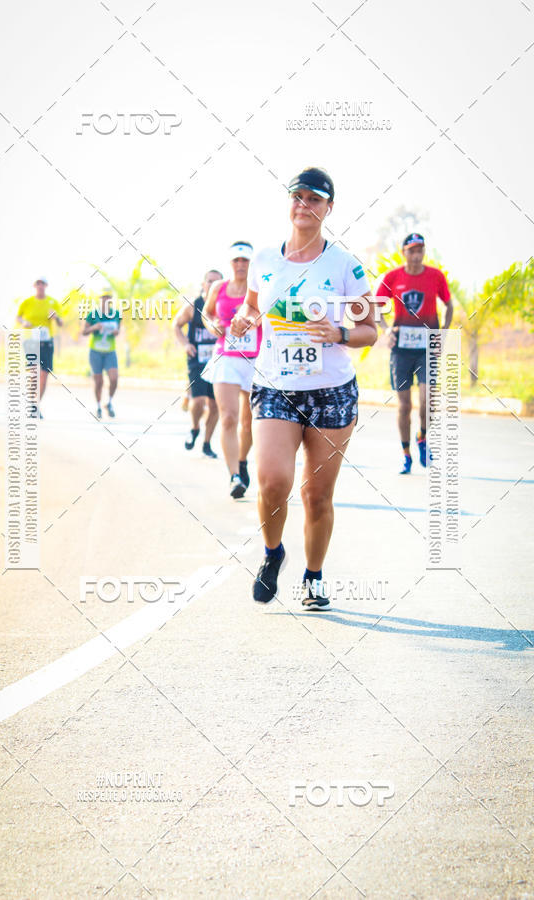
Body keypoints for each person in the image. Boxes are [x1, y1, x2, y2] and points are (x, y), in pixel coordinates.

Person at [229, 166, 377, 609]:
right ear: (289, 202)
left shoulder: (345, 265)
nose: (304, 205)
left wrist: (340, 333)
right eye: (298, 196)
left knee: (316, 496)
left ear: (328, 208)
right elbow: (251, 307)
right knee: (273, 481)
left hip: (332, 391)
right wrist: (243, 320)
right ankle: (273, 553)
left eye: (315, 199)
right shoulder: (265, 261)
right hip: (276, 385)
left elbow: (370, 329)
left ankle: (314, 578)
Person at [376, 233, 453, 473]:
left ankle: (423, 436)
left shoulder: (436, 276)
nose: (417, 255)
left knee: (427, 399)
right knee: (404, 405)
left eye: (420, 250)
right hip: (401, 350)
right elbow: (375, 307)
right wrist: (386, 330)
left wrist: (443, 332)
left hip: (426, 348)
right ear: (404, 253)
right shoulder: (393, 277)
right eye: (412, 250)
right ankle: (406, 454)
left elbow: (448, 304)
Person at [202, 243, 261, 499]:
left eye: (245, 260)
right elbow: (206, 313)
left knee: (249, 421)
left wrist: (254, 321)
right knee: (228, 417)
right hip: (225, 357)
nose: (240, 265)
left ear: (251, 263)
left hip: (254, 359)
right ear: (230, 263)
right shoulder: (218, 287)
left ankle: (242, 459)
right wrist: (212, 324)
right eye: (236, 260)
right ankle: (234, 476)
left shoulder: (259, 287)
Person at [173, 270, 222, 457]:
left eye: (217, 282)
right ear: (203, 284)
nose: (213, 285)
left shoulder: (224, 305)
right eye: (209, 281)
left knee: (215, 406)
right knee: (199, 401)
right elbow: (176, 325)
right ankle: (194, 428)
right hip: (197, 360)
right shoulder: (193, 306)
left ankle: (207, 444)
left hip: (219, 362)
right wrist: (186, 344)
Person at [16, 278, 63, 418]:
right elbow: (18, 317)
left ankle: (35, 405)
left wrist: (55, 317)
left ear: (46, 286)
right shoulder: (27, 302)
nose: (40, 286)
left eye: (43, 283)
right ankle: (31, 402)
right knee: (34, 372)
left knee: (44, 374)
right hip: (31, 340)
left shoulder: (53, 302)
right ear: (34, 286)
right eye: (38, 283)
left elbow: (61, 323)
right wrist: (23, 322)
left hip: (46, 341)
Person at [82, 290, 121, 418]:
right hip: (95, 351)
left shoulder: (116, 314)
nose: (105, 300)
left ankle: (109, 403)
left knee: (114, 378)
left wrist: (116, 332)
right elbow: (84, 331)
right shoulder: (93, 314)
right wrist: (94, 327)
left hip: (110, 351)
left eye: (108, 297)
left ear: (111, 299)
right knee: (99, 381)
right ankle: (98, 406)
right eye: (103, 297)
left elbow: (118, 329)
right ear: (100, 299)